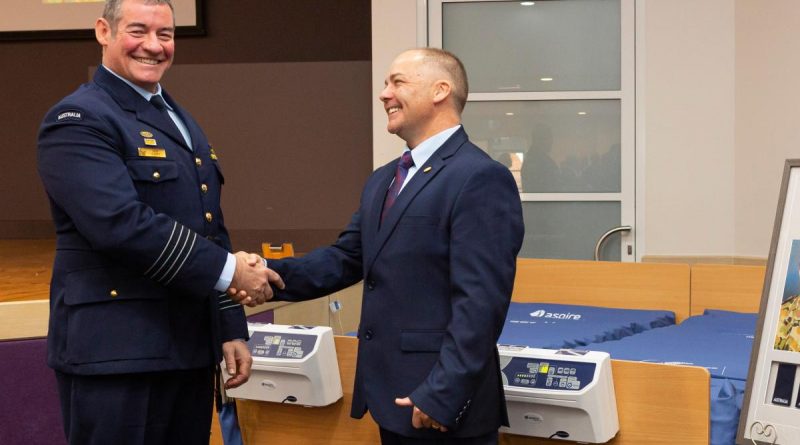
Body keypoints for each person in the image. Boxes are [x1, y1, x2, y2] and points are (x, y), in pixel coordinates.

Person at [250, 48, 524, 444]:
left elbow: (481, 304)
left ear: (440, 90)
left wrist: (442, 394)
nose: (383, 94)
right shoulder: (384, 180)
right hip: (392, 399)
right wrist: (265, 276)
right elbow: (346, 258)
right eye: (385, 84)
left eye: (397, 82)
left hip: (440, 405)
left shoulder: (480, 178)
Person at [36, 1, 281, 443]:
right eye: (138, 31)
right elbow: (119, 223)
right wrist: (232, 273)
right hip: (115, 354)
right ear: (103, 32)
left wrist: (228, 326)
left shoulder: (176, 117)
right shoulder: (78, 118)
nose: (153, 45)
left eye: (165, 34)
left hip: (185, 348)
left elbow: (208, 223)